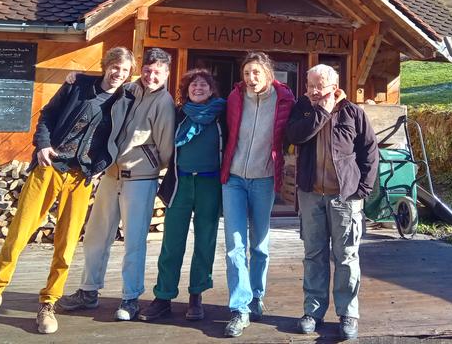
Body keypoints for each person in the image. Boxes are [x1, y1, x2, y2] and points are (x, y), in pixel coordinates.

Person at [0, 46, 136, 337]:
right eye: (115, 67)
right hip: (50, 167)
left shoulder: (125, 100)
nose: (118, 73)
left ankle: (48, 302)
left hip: (80, 177)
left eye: (125, 70)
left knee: (66, 243)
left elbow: (121, 136)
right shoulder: (78, 85)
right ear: (106, 66)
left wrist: (100, 166)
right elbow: (47, 115)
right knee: (18, 235)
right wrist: (42, 145)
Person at [58, 47, 175, 321]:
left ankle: (130, 298)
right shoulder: (129, 89)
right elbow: (105, 83)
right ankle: (88, 290)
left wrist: (147, 164)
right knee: (96, 235)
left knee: (134, 241)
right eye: (147, 70)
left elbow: (166, 149)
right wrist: (78, 76)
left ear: (167, 74)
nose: (151, 76)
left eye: (157, 72)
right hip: (110, 174)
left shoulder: (164, 103)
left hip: (140, 179)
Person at [285, 64, 378, 341]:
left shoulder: (353, 112)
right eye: (310, 85)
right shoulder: (303, 109)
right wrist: (321, 112)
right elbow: (295, 136)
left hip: (344, 197)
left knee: (346, 256)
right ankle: (312, 312)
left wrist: (363, 189)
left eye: (320, 85)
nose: (314, 91)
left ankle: (348, 313)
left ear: (334, 87)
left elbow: (370, 151)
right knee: (314, 255)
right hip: (311, 194)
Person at [219, 51, 295, 338]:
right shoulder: (235, 97)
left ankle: (256, 296)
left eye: (256, 73)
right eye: (246, 73)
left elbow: (300, 127)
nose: (251, 78)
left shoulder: (284, 99)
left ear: (268, 74)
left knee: (260, 245)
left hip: (264, 179)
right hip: (234, 179)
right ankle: (240, 308)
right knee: (234, 245)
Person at [143, 69, 226, 322]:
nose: (198, 88)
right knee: (172, 242)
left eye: (203, 85)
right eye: (193, 85)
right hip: (181, 183)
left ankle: (196, 295)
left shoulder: (222, 114)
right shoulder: (178, 113)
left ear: (212, 90)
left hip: (210, 185)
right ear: (186, 90)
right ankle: (163, 296)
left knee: (205, 242)